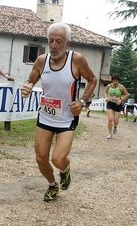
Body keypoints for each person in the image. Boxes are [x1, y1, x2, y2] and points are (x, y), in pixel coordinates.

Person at [21, 23, 97, 202]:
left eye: (59, 42)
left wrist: (82, 101)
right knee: (40, 158)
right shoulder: (41, 60)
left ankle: (65, 169)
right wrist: (27, 86)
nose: (54, 46)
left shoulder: (77, 60)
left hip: (66, 119)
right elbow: (30, 80)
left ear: (67, 44)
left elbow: (93, 79)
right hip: (46, 116)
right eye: (51, 41)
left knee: (58, 159)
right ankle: (53, 185)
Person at [104, 74, 130, 139]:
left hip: (118, 105)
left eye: (116, 81)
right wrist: (106, 98)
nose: (115, 82)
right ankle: (110, 133)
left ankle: (115, 126)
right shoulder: (109, 86)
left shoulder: (121, 87)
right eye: (114, 81)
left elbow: (127, 94)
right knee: (110, 119)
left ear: (118, 81)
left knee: (116, 121)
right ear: (112, 81)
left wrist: (121, 100)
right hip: (110, 103)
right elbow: (105, 92)